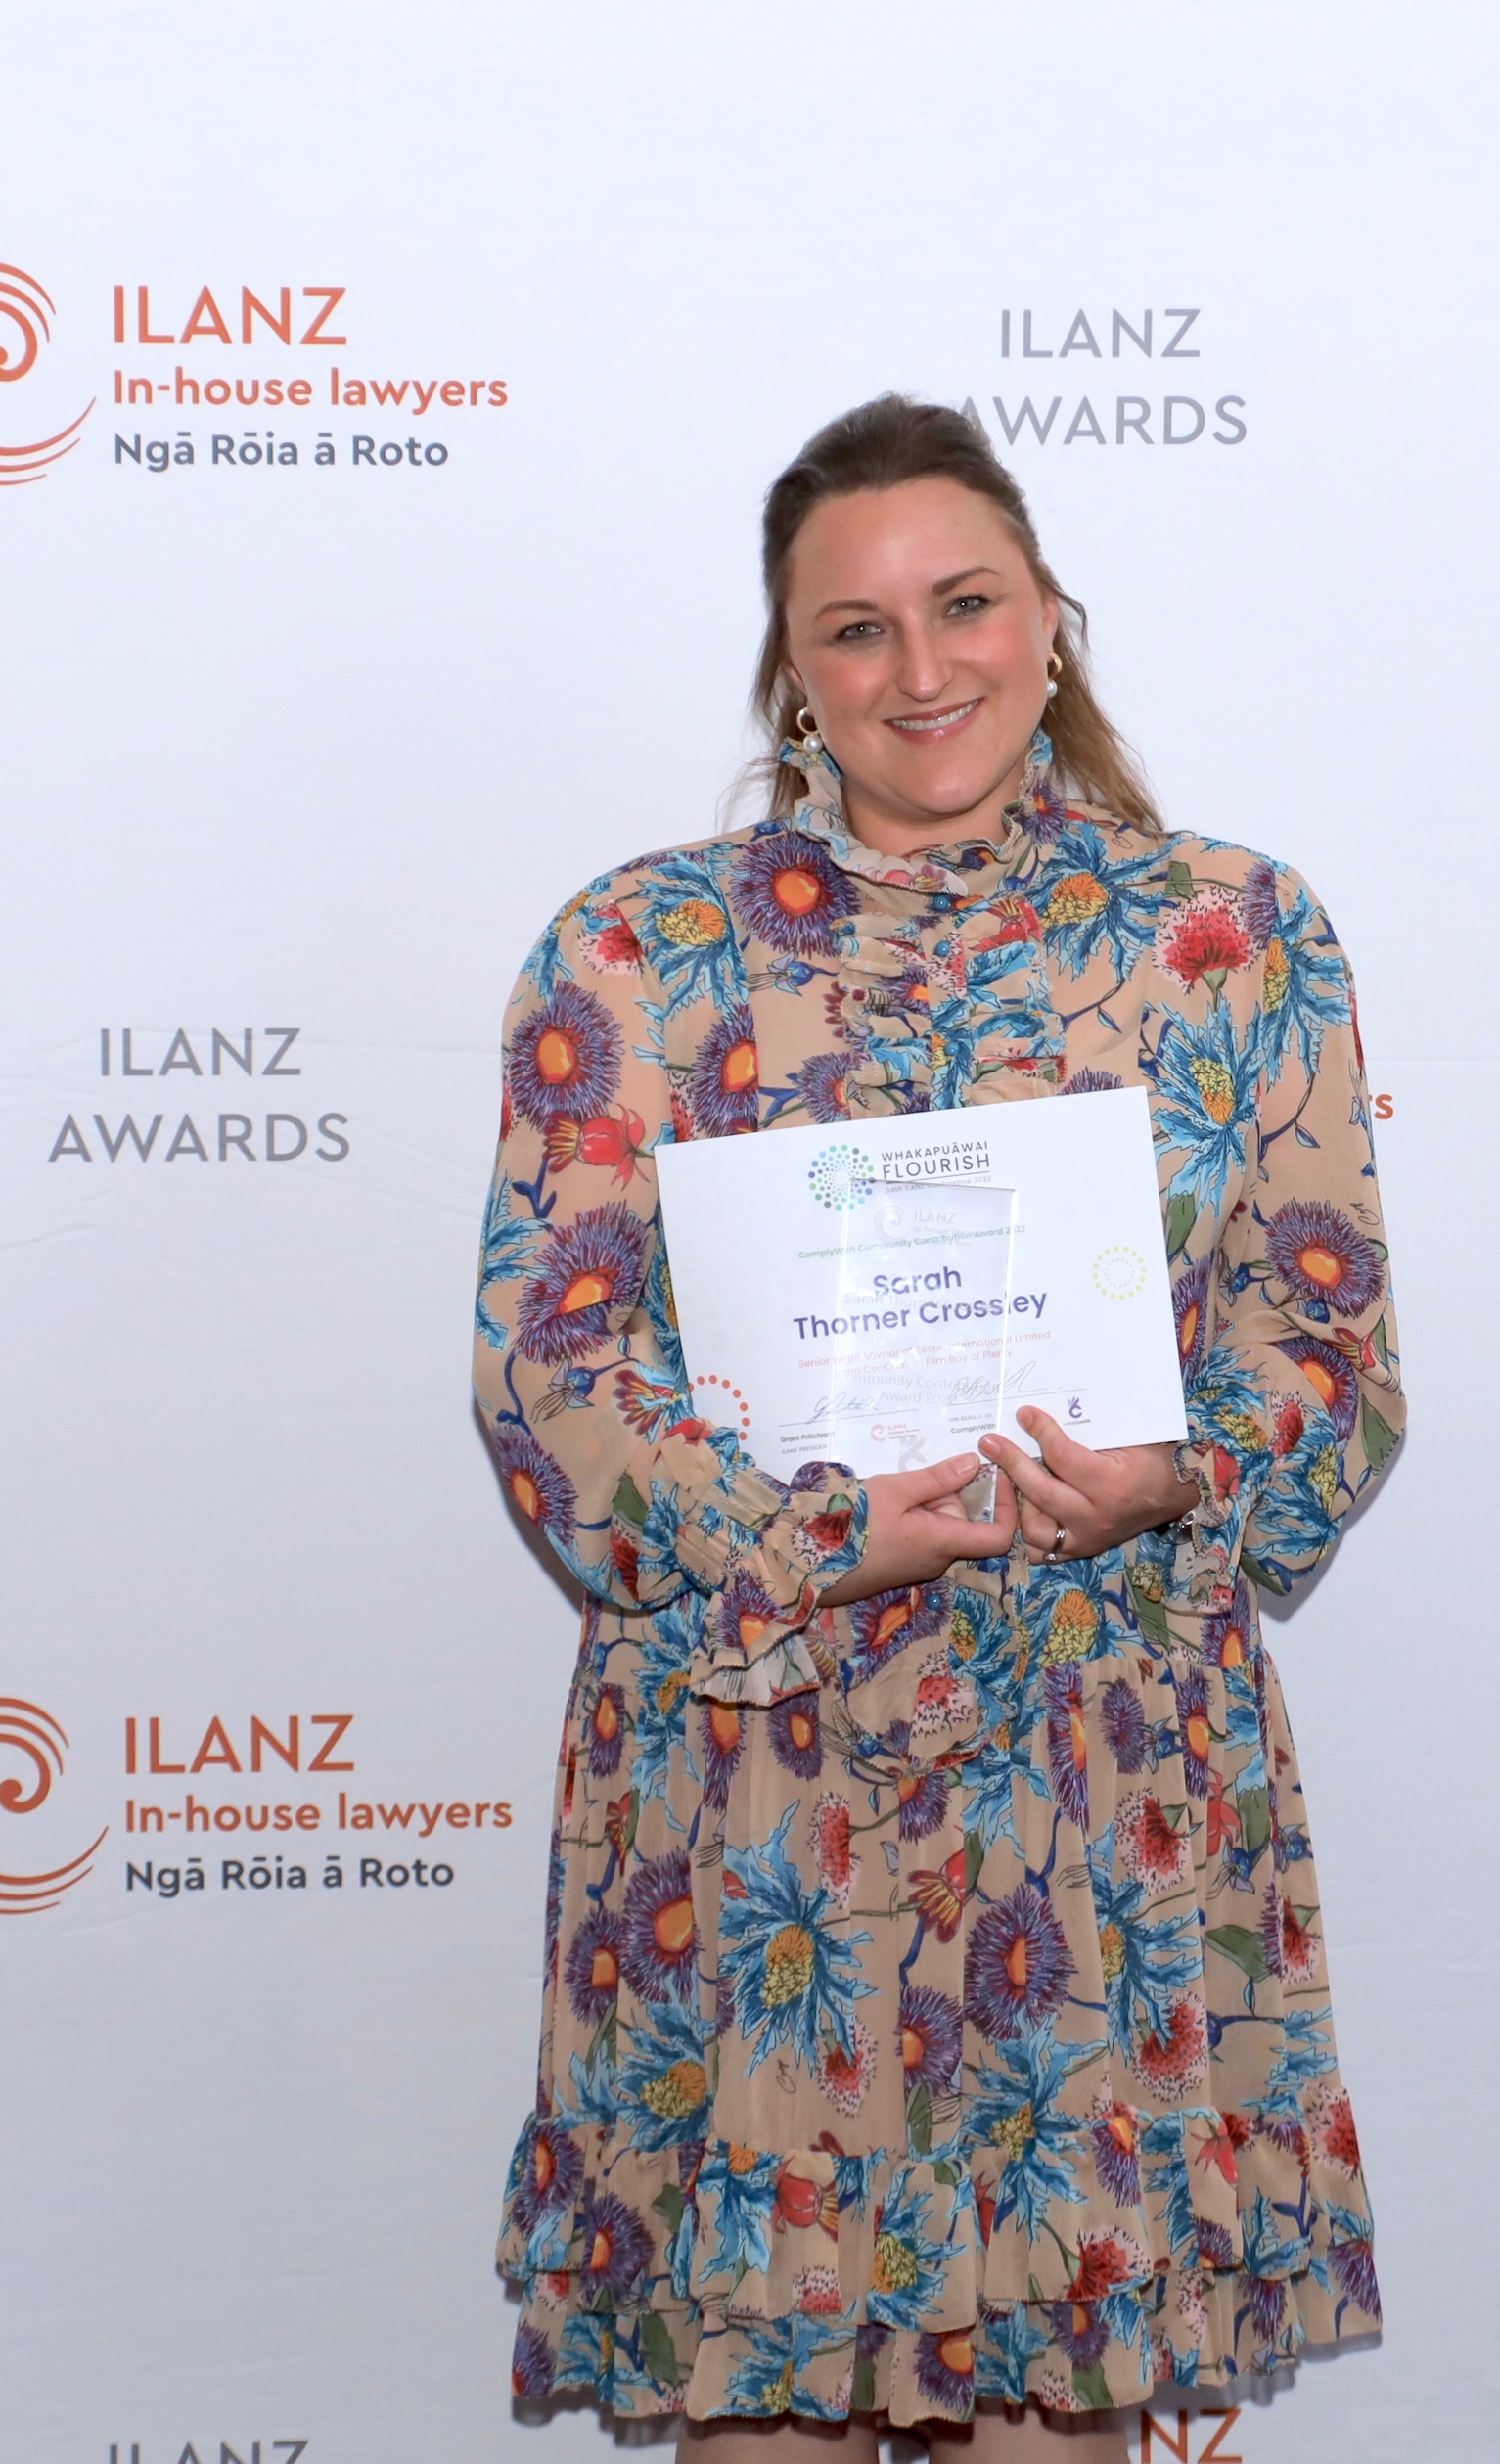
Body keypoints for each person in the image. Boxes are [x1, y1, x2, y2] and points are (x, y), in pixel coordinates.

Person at [478, 395, 1401, 2455]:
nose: (922, 669)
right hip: (755, 1769)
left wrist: (1178, 1473)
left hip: (1102, 1757)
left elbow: (1328, 1348)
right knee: (766, 2404)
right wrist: (818, 1536)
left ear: (1049, 615)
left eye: (964, 603)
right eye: (856, 628)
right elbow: (547, 1371)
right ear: (789, 672)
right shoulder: (634, 951)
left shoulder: (1233, 934)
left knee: (1058, 2413)